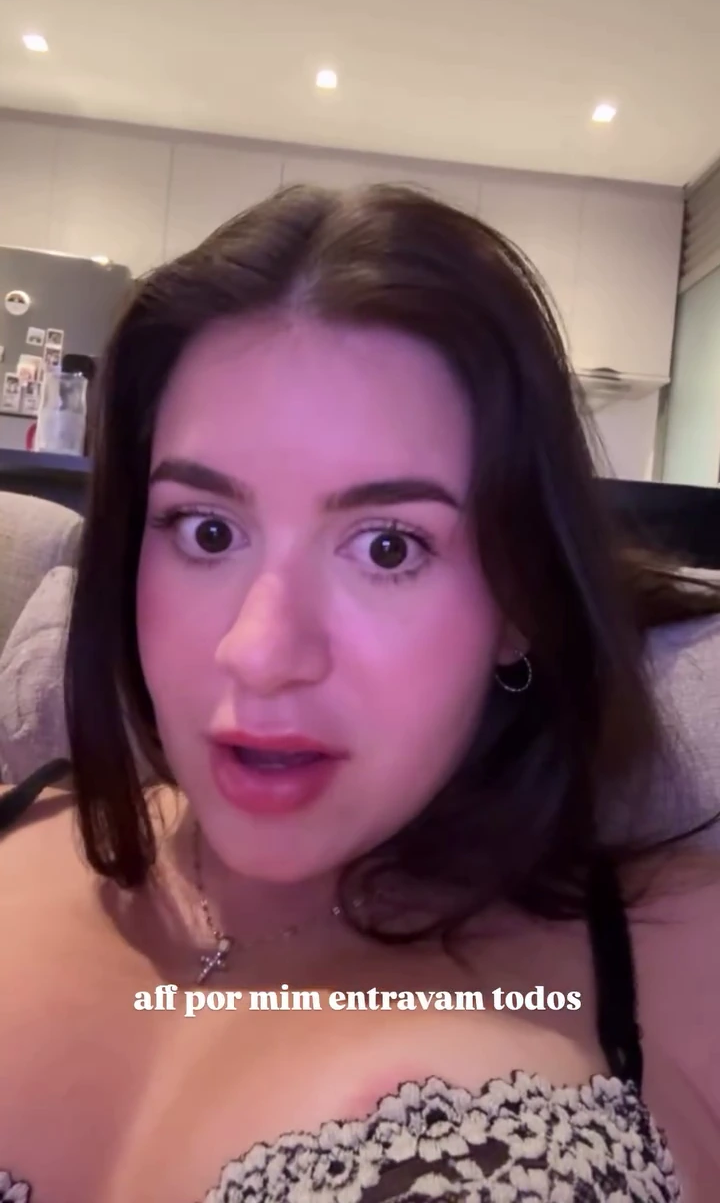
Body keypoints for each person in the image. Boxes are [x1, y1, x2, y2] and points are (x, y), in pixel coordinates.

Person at [1, 183, 718, 1203]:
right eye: (208, 530)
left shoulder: (681, 956)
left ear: (519, 598)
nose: (262, 652)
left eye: (388, 547)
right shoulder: (22, 830)